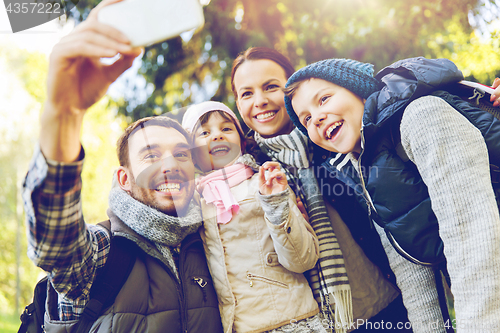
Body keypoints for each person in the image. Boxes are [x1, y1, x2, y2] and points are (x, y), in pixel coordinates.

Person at [22, 0, 223, 332]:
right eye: (151, 155)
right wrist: (65, 113)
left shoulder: (215, 244)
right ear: (124, 179)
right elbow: (55, 245)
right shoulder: (104, 251)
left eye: (182, 154)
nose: (170, 165)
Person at [284, 57, 500, 333]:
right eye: (306, 119)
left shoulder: (422, 116)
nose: (316, 119)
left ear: (357, 89)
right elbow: (412, 272)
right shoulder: (362, 168)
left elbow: (471, 234)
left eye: (324, 99)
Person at [231, 47, 414, 332]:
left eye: (271, 87)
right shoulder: (243, 172)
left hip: (390, 295)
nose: (260, 101)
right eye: (246, 93)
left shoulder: (335, 133)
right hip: (319, 320)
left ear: (291, 90)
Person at [182, 101, 325, 333]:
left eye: (226, 129)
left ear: (241, 139)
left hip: (292, 320)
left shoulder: (267, 183)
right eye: (204, 132)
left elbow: (303, 261)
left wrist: (276, 205)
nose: (217, 135)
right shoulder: (192, 201)